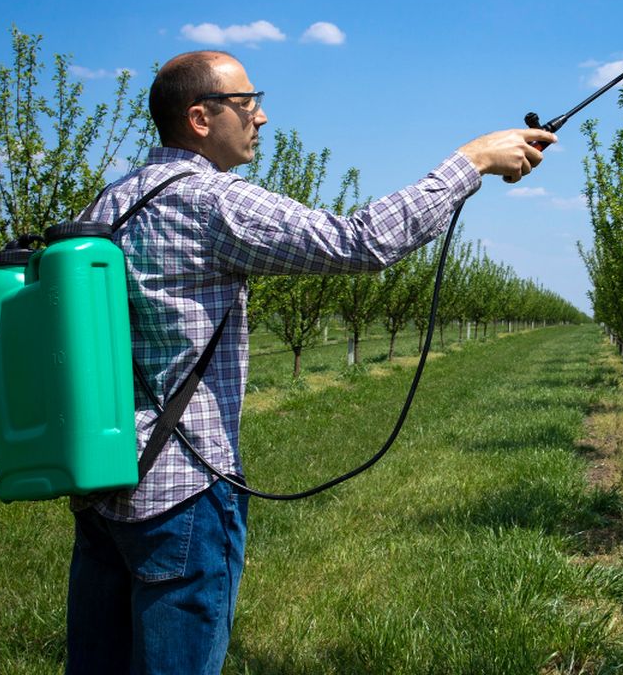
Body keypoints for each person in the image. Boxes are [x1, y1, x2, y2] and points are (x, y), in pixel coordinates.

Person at [64, 50, 554, 674]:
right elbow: (359, 242)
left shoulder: (108, 205)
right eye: (247, 103)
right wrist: (470, 164)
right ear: (200, 118)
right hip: (182, 491)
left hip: (102, 481)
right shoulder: (211, 202)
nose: (262, 118)